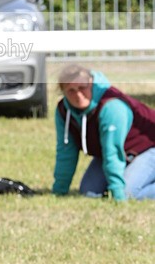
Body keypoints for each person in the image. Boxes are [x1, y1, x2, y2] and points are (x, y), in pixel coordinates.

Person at [53, 64, 155, 201]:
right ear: (63, 92)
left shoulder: (112, 106)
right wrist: (59, 191)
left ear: (91, 84)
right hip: (121, 153)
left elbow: (112, 152)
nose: (78, 94)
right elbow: (66, 152)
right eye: (71, 90)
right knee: (88, 192)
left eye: (82, 88)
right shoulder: (63, 111)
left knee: (127, 193)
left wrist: (118, 195)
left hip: (148, 148)